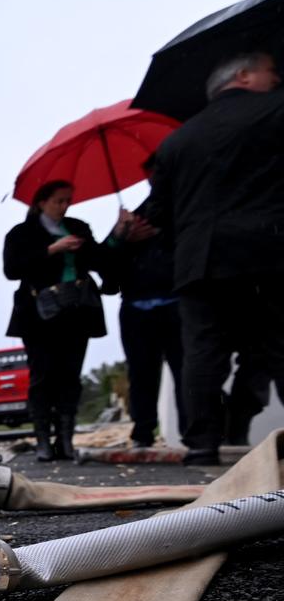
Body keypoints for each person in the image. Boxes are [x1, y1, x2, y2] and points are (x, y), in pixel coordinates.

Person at [141, 50, 284, 465]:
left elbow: (157, 213)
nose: (276, 78)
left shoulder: (176, 142)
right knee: (278, 344)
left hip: (199, 262)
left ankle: (202, 444)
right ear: (243, 75)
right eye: (271, 71)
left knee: (203, 352)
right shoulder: (275, 110)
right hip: (268, 250)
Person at [4, 180, 112, 461]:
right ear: (42, 202)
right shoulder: (21, 233)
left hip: (76, 312)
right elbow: (12, 269)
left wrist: (119, 232)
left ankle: (65, 439)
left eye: (68, 201)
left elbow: (100, 260)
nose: (64, 206)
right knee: (41, 376)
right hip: (38, 315)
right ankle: (42, 440)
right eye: (58, 201)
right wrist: (52, 250)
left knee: (70, 376)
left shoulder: (78, 227)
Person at [103, 155, 183, 448]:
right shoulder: (134, 218)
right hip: (137, 307)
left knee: (184, 370)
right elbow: (106, 267)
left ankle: (193, 433)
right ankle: (144, 431)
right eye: (150, 175)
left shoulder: (183, 211)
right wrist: (120, 237)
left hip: (175, 302)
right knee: (142, 374)